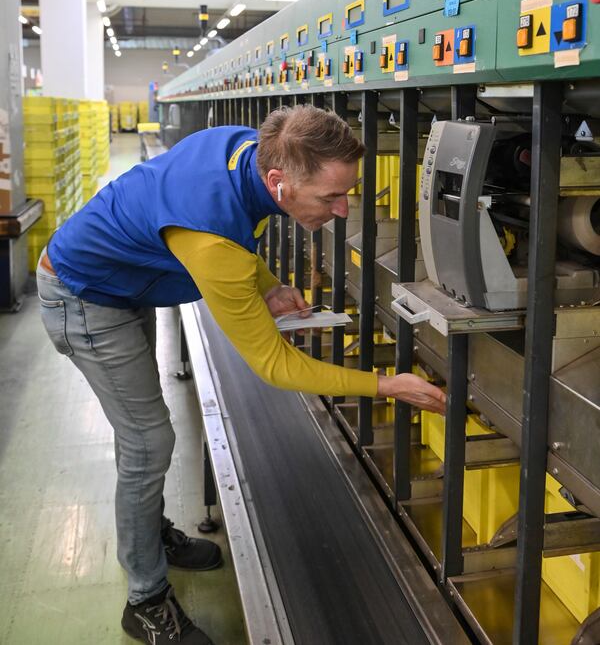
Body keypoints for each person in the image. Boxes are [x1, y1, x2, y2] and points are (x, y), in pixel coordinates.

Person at [36, 104, 446, 645]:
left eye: (348, 192)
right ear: (280, 182)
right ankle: (145, 599)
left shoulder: (243, 148)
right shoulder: (212, 243)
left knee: (144, 438)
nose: (343, 210)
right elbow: (273, 364)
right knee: (148, 442)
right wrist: (387, 385)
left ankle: (151, 536)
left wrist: (270, 285)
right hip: (82, 298)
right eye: (329, 198)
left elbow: (241, 224)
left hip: (117, 282)